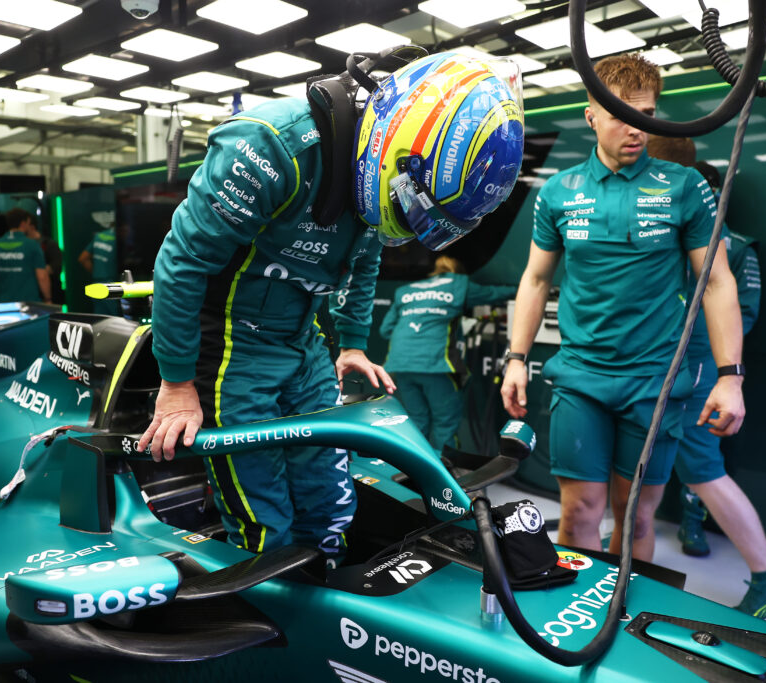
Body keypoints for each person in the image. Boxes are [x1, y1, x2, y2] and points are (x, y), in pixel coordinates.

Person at [138, 48, 525, 568]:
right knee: (263, 515)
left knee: (331, 500)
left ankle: (329, 596)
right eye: (416, 201)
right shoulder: (268, 145)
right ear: (396, 147)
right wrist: (178, 384)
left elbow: (365, 263)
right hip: (231, 349)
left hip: (305, 345)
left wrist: (354, 345)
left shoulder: (384, 176)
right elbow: (182, 261)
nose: (409, 221)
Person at [500, 53, 745, 568]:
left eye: (647, 114)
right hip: (582, 378)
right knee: (579, 513)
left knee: (633, 516)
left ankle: (621, 617)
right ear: (591, 116)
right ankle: (574, 623)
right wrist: (516, 358)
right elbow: (537, 278)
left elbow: (717, 282)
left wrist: (730, 377)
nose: (637, 128)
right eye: (620, 115)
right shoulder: (559, 192)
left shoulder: (685, 186)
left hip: (655, 382)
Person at [646, 135, 766, 621]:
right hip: (670, 372)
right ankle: (617, 565)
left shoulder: (710, 241)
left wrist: (722, 373)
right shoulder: (679, 232)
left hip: (689, 376)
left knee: (704, 473)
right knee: (645, 479)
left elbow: (740, 312)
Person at [380, 255, 517, 453]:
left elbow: (385, 330)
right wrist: (533, 288)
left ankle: (413, 474)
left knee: (417, 421)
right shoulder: (458, 284)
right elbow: (493, 293)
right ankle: (445, 475)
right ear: (458, 272)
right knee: (445, 423)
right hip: (436, 364)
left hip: (400, 364)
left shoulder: (406, 290)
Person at [0, 208, 51, 304]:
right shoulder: (32, 245)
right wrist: (48, 299)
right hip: (30, 305)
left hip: (4, 305)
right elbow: (42, 276)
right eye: (28, 223)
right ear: (23, 223)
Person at [78, 226, 119, 315]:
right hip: (111, 285)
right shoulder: (118, 238)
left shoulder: (99, 236)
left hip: (96, 283)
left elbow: (82, 258)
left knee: (100, 320)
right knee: (117, 320)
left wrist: (96, 271)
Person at [24, 219, 64, 305]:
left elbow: (55, 266)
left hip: (51, 293)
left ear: (32, 227)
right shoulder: (25, 247)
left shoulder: (49, 244)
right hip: (31, 295)